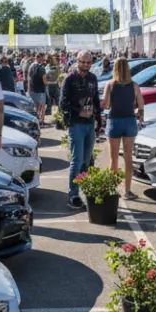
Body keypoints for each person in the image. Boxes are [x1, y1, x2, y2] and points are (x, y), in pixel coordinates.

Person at [60, 51, 103, 209]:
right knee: (77, 161)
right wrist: (79, 111)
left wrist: (99, 118)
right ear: (77, 61)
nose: (85, 65)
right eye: (83, 62)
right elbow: (63, 102)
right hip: (76, 124)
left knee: (86, 160)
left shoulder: (92, 78)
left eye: (88, 62)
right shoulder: (69, 79)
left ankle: (83, 189)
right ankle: (73, 195)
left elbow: (96, 99)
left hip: (90, 124)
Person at [103, 57, 146, 199]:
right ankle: (127, 190)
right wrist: (139, 114)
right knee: (128, 157)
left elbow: (107, 105)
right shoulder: (134, 85)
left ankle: (112, 189)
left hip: (114, 121)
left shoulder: (110, 85)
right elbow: (140, 104)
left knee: (113, 158)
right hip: (129, 121)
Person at [28, 52, 48, 124]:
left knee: (35, 106)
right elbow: (44, 80)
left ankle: (35, 120)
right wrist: (48, 83)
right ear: (41, 58)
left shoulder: (31, 66)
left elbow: (29, 78)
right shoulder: (42, 68)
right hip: (40, 89)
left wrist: (28, 89)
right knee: (42, 106)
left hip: (32, 89)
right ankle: (41, 120)